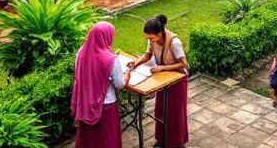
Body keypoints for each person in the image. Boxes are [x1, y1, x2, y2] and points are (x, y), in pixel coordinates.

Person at [129, 15, 189, 148]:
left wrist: (163, 67)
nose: (150, 41)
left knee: (174, 113)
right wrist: (137, 62)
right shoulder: (152, 39)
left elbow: (183, 64)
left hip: (177, 81)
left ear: (159, 33)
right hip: (162, 79)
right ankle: (162, 140)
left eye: (151, 38)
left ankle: (176, 143)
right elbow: (148, 54)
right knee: (161, 110)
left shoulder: (174, 42)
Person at [72, 21, 130, 148]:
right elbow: (120, 84)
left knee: (89, 140)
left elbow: (78, 74)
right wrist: (127, 74)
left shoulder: (81, 52)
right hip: (105, 106)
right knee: (105, 139)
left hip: (85, 102)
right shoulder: (111, 59)